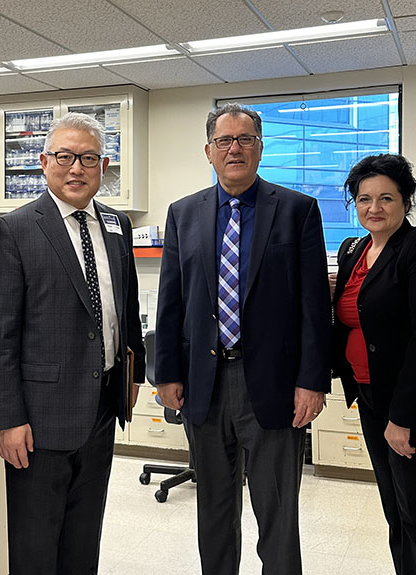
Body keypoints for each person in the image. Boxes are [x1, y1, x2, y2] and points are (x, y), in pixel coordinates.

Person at [154, 102, 331, 575]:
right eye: (225, 140)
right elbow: (171, 300)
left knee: (277, 513)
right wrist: (166, 374)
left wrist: (312, 382)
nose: (235, 149)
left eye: (245, 139)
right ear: (208, 151)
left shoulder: (296, 210)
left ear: (260, 148)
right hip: (204, 383)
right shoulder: (183, 214)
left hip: (274, 385)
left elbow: (314, 306)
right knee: (214, 510)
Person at [0, 111, 146, 575]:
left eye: (88, 158)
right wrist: (8, 419)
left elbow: (126, 307)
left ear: (104, 166)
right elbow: (1, 337)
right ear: (43, 162)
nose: (76, 168)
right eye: (65, 157)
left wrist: (132, 374)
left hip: (102, 407)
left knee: (83, 539)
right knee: (36, 546)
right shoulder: (14, 230)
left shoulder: (116, 225)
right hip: (39, 418)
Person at [331, 154, 416, 575]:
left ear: (406, 201)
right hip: (371, 396)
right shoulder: (353, 250)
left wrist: (402, 418)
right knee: (395, 507)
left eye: (386, 198)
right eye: (364, 199)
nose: (374, 208)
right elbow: (348, 316)